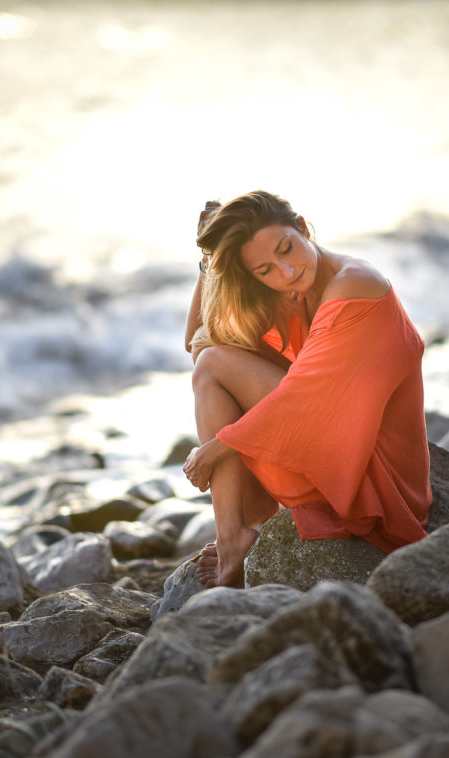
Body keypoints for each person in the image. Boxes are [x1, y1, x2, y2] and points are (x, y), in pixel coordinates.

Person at [182, 190, 431, 588]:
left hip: (371, 473)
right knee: (215, 358)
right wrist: (209, 263)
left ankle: (232, 538)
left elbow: (302, 399)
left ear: (302, 228)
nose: (286, 271)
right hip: (339, 446)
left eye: (287, 249)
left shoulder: (355, 285)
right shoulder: (294, 292)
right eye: (265, 270)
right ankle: (234, 536)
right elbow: (199, 342)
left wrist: (217, 447)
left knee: (215, 367)